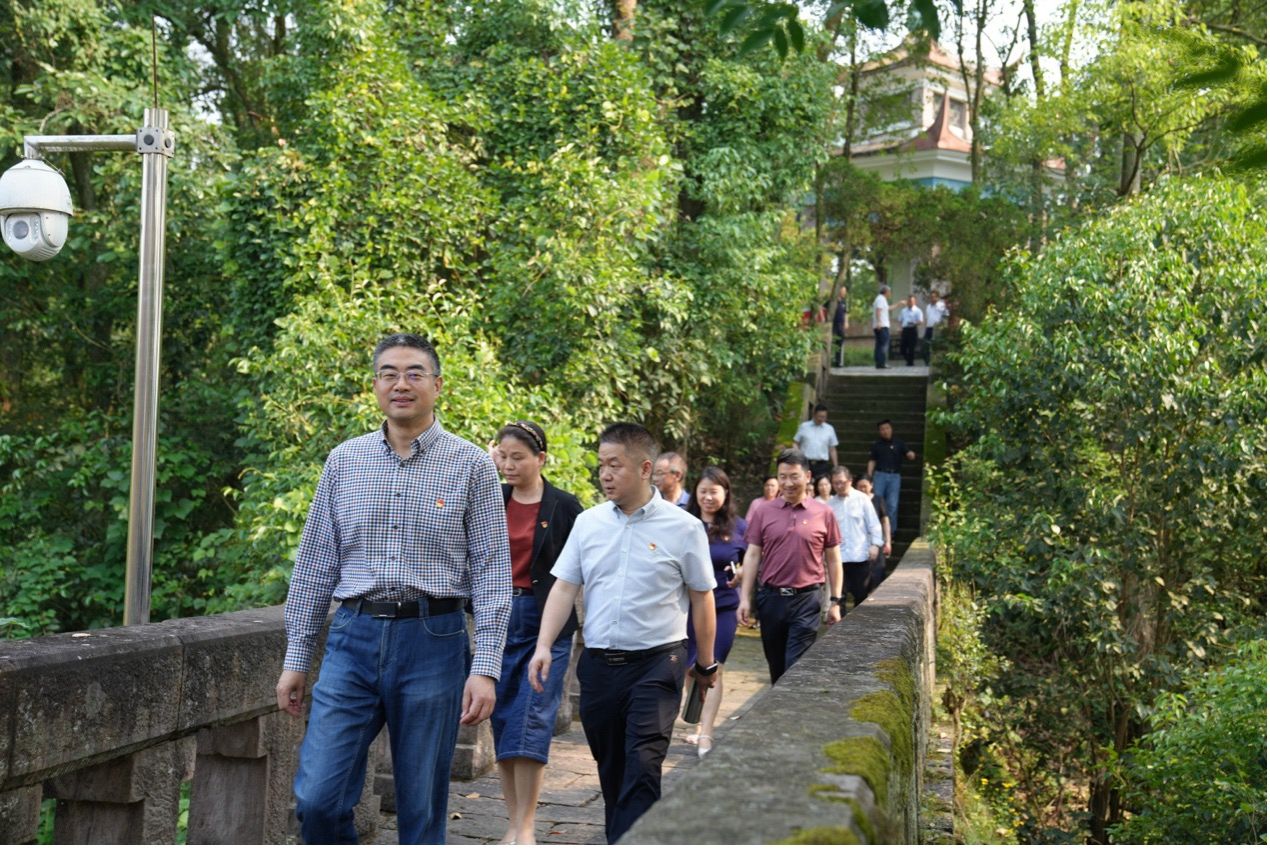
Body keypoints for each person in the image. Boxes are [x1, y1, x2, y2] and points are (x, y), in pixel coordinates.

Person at [276, 333, 511, 844]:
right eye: (389, 374)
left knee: (419, 807)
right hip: (352, 637)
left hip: (435, 640)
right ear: (376, 385)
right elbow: (315, 564)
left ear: (437, 385)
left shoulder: (471, 464)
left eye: (414, 374)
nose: (400, 384)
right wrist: (297, 657)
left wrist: (486, 667)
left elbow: (493, 575)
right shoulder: (345, 460)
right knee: (317, 799)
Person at [529, 423, 717, 844]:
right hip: (599, 666)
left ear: (645, 468)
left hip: (658, 663)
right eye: (601, 465)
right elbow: (564, 587)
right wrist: (543, 645)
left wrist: (706, 663)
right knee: (612, 769)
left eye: (615, 465)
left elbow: (702, 597)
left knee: (644, 765)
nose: (605, 475)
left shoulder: (684, 528)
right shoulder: (589, 523)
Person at [490, 420, 583, 846]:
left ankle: (525, 828)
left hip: (546, 620)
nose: (509, 465)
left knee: (531, 719)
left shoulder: (564, 506)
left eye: (518, 457)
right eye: (503, 456)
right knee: (502, 718)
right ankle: (513, 821)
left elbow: (578, 569)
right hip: (498, 618)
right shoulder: (493, 498)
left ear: (541, 459)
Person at [737, 448, 844, 684]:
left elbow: (834, 559)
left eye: (794, 476)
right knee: (776, 667)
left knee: (795, 667)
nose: (787, 483)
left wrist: (835, 601)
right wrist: (745, 598)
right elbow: (753, 555)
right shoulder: (764, 511)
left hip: (807, 599)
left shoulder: (824, 513)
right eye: (782, 477)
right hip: (771, 599)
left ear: (808, 476)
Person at [683, 466, 747, 758]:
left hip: (723, 606)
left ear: (726, 493)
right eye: (703, 491)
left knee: (713, 668)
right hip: (687, 607)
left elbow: (752, 560)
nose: (708, 497)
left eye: (714, 492)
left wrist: (742, 574)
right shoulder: (682, 522)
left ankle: (707, 733)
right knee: (690, 667)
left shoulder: (739, 527)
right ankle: (697, 722)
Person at [828, 466, 882, 610]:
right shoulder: (830, 504)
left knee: (861, 596)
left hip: (860, 556)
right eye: (835, 483)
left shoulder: (862, 499)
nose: (839, 486)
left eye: (842, 482)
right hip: (839, 558)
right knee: (839, 597)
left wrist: (875, 545)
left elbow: (874, 524)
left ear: (850, 481)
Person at [866, 418, 917, 532]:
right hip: (880, 475)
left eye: (887, 428)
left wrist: (911, 454)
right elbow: (872, 460)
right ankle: (876, 531)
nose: (885, 431)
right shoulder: (876, 445)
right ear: (879, 431)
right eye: (882, 429)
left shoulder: (899, 443)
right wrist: (869, 476)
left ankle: (891, 532)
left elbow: (908, 453)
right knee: (877, 502)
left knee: (892, 505)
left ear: (891, 429)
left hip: (894, 476)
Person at [854, 474, 892, 590]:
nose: (862, 489)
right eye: (859, 487)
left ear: (871, 485)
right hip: (859, 543)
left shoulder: (878, 500)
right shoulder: (853, 501)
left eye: (865, 486)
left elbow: (885, 521)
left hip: (876, 541)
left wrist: (888, 541)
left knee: (877, 572)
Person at [793, 403, 839, 481]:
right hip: (805, 462)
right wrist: (798, 457)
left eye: (824, 417)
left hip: (822, 464)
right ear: (814, 414)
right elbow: (795, 443)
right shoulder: (804, 426)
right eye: (819, 416)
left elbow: (832, 449)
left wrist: (835, 466)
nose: (821, 419)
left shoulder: (829, 429)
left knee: (821, 484)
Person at [923, 291, 949, 365]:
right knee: (926, 345)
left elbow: (946, 315)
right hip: (929, 328)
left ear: (937, 297)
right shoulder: (928, 306)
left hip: (937, 328)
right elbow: (927, 317)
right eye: (931, 297)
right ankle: (927, 361)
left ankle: (937, 361)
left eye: (934, 297)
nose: (932, 298)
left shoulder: (941, 305)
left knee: (937, 345)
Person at [899, 295, 925, 367]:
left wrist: (914, 323)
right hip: (905, 330)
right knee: (902, 348)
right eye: (908, 301)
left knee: (911, 347)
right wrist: (900, 328)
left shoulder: (918, 311)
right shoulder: (903, 311)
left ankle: (910, 363)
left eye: (911, 301)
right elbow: (900, 320)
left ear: (914, 302)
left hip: (913, 329)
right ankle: (908, 360)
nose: (909, 302)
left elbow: (920, 321)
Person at [872, 284, 892, 369]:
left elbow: (887, 309)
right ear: (886, 291)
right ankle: (882, 363)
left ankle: (879, 363)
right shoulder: (881, 299)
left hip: (881, 325)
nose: (890, 294)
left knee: (879, 344)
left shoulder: (881, 299)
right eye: (889, 292)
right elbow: (878, 310)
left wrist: (899, 304)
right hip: (882, 325)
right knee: (883, 344)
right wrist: (879, 322)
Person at [831, 285, 848, 367]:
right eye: (843, 291)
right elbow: (822, 307)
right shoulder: (832, 301)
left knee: (840, 342)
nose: (844, 293)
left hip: (841, 325)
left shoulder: (843, 302)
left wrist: (846, 322)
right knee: (832, 342)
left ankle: (838, 361)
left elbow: (846, 313)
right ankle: (831, 360)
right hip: (833, 324)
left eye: (845, 291)